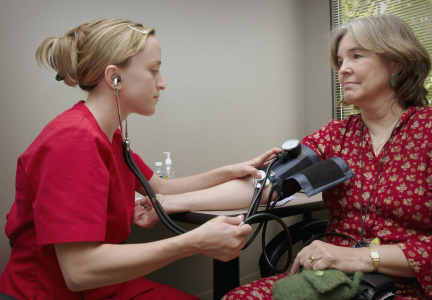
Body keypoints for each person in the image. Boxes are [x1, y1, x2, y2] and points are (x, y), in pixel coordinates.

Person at [0, 19, 281, 300]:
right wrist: (194, 242)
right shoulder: (73, 139)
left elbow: (162, 188)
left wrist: (230, 170)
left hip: (104, 287)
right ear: (114, 78)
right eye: (153, 70)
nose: (162, 83)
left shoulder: (108, 136)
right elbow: (78, 271)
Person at [223, 14, 432, 300]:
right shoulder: (337, 136)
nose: (343, 69)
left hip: (410, 286)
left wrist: (357, 257)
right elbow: (270, 186)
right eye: (340, 61)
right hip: (329, 280)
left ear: (396, 62)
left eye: (356, 56)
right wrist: (169, 201)